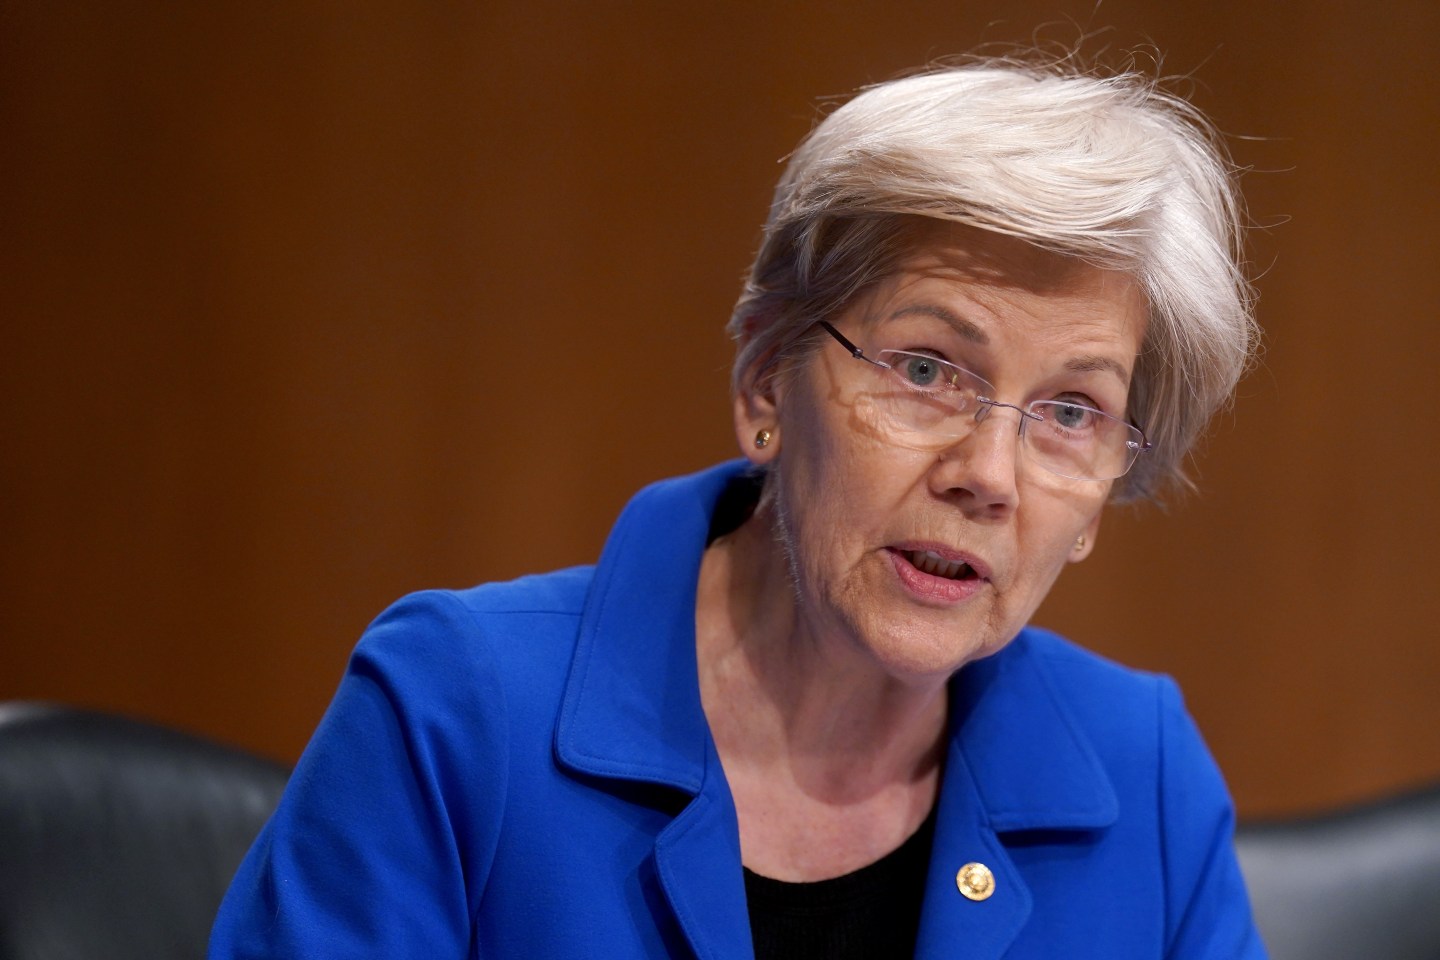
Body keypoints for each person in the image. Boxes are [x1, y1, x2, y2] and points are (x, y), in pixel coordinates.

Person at [210, 55, 1265, 959]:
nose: (989, 474)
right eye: (926, 369)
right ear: (767, 384)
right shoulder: (455, 711)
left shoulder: (1145, 776)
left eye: (1072, 412)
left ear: (1100, 500)